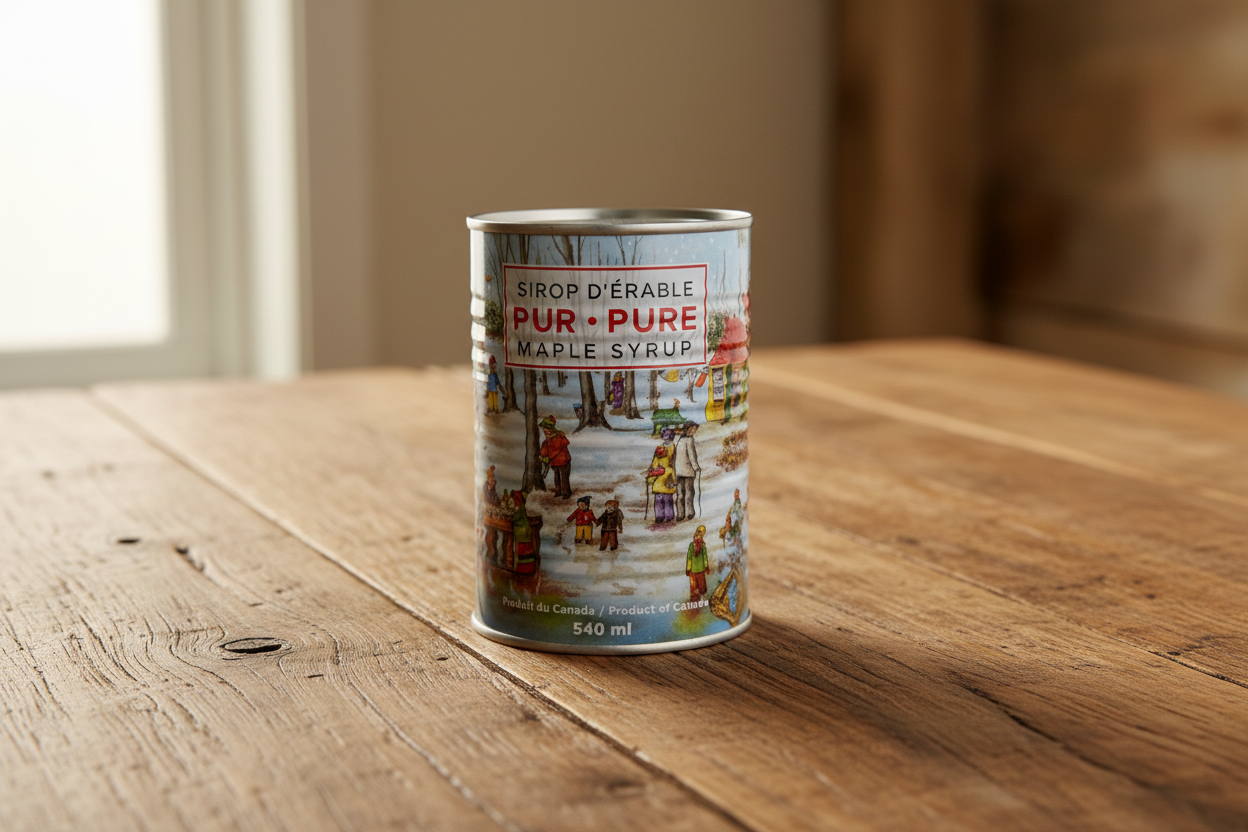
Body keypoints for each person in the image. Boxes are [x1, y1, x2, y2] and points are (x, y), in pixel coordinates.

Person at [645, 428, 677, 523]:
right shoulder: (659, 447)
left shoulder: (673, 447)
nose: (666, 439)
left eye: (668, 437)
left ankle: (668, 515)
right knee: (658, 497)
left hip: (668, 474)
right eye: (665, 437)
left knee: (667, 498)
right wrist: (652, 470)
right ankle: (659, 516)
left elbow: (674, 461)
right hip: (659, 474)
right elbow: (655, 461)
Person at [539, 415, 572, 498]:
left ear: (552, 429)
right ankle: (558, 491)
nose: (545, 431)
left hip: (564, 461)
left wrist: (548, 456)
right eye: (544, 429)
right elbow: (544, 452)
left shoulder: (559, 437)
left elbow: (559, 447)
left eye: (547, 429)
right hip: (554, 463)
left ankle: (566, 492)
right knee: (557, 478)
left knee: (564, 478)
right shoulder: (546, 442)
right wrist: (543, 457)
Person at [673, 421, 700, 521]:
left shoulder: (677, 440)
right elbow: (692, 456)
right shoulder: (689, 440)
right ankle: (690, 512)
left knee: (680, 494)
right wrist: (696, 467)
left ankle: (680, 514)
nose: (694, 432)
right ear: (688, 429)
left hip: (678, 471)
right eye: (693, 429)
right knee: (689, 493)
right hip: (688, 471)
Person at [510, 490, 537, 574]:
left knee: (521, 552)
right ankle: (528, 568)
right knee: (526, 551)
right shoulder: (521, 508)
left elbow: (514, 518)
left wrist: (510, 515)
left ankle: (522, 570)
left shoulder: (520, 509)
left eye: (513, 501)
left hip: (521, 533)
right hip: (524, 533)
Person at [686, 525, 710, 599]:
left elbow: (689, 558)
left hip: (693, 570)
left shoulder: (691, 545)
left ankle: (695, 599)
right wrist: (706, 567)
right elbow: (705, 558)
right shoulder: (703, 545)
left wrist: (688, 568)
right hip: (701, 569)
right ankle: (702, 599)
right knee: (701, 586)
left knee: (694, 586)